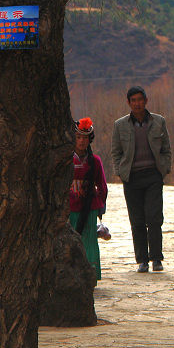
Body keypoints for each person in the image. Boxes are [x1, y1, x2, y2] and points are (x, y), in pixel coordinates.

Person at [111, 85, 172, 273]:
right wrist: (121, 172)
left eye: (140, 99)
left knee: (154, 218)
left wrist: (164, 169)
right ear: (129, 103)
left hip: (153, 175)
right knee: (137, 220)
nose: (137, 103)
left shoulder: (158, 122)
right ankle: (142, 260)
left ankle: (156, 259)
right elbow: (116, 152)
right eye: (133, 100)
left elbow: (166, 149)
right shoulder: (120, 125)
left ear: (146, 100)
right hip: (132, 177)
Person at [69, 117, 108, 282]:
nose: (82, 141)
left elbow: (102, 186)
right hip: (69, 208)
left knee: (89, 241)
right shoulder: (66, 160)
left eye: (85, 138)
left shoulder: (95, 161)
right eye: (78, 137)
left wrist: (100, 203)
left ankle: (91, 275)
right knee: (71, 242)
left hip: (89, 207)